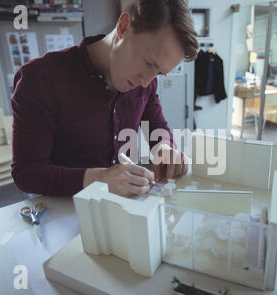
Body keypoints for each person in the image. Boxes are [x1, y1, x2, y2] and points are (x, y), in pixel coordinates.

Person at [11, 0, 198, 198]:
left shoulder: (146, 81)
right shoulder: (39, 79)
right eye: (149, 63)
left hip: (120, 206)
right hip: (62, 208)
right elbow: (26, 173)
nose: (146, 81)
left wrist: (165, 148)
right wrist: (97, 179)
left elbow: (156, 128)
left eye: (159, 72)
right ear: (124, 27)